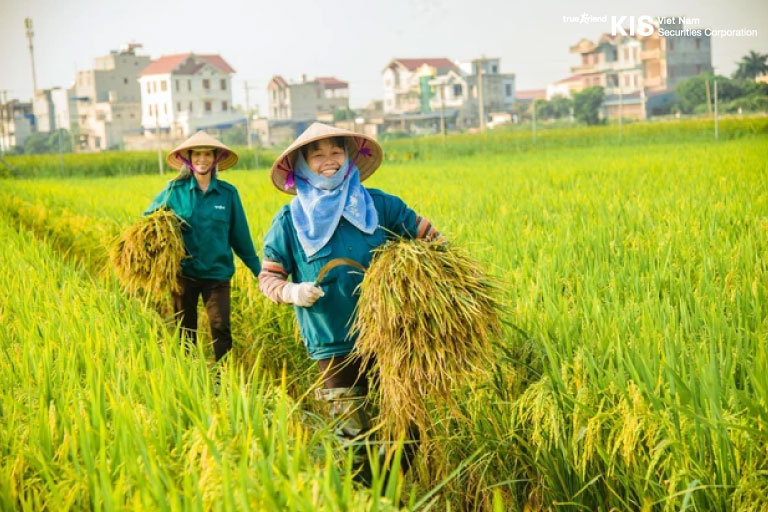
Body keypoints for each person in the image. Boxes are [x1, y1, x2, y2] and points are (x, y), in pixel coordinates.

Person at [258, 122, 441, 483]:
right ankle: (368, 495)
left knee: (411, 427)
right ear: (302, 165)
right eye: (318, 154)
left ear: (348, 156)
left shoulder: (380, 206)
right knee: (351, 439)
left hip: (390, 337)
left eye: (336, 152)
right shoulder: (290, 222)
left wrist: (440, 276)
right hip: (332, 343)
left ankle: (385, 487)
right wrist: (293, 292)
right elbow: (269, 278)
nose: (329, 161)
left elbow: (431, 240)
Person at [145, 131, 261, 361]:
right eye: (197, 154)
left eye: (207, 154)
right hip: (183, 274)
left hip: (217, 274)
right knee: (184, 330)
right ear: (188, 158)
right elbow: (149, 220)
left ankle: (223, 378)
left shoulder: (227, 194)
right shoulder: (173, 191)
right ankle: (189, 377)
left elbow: (240, 237)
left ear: (215, 158)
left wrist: (260, 272)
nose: (202, 159)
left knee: (220, 327)